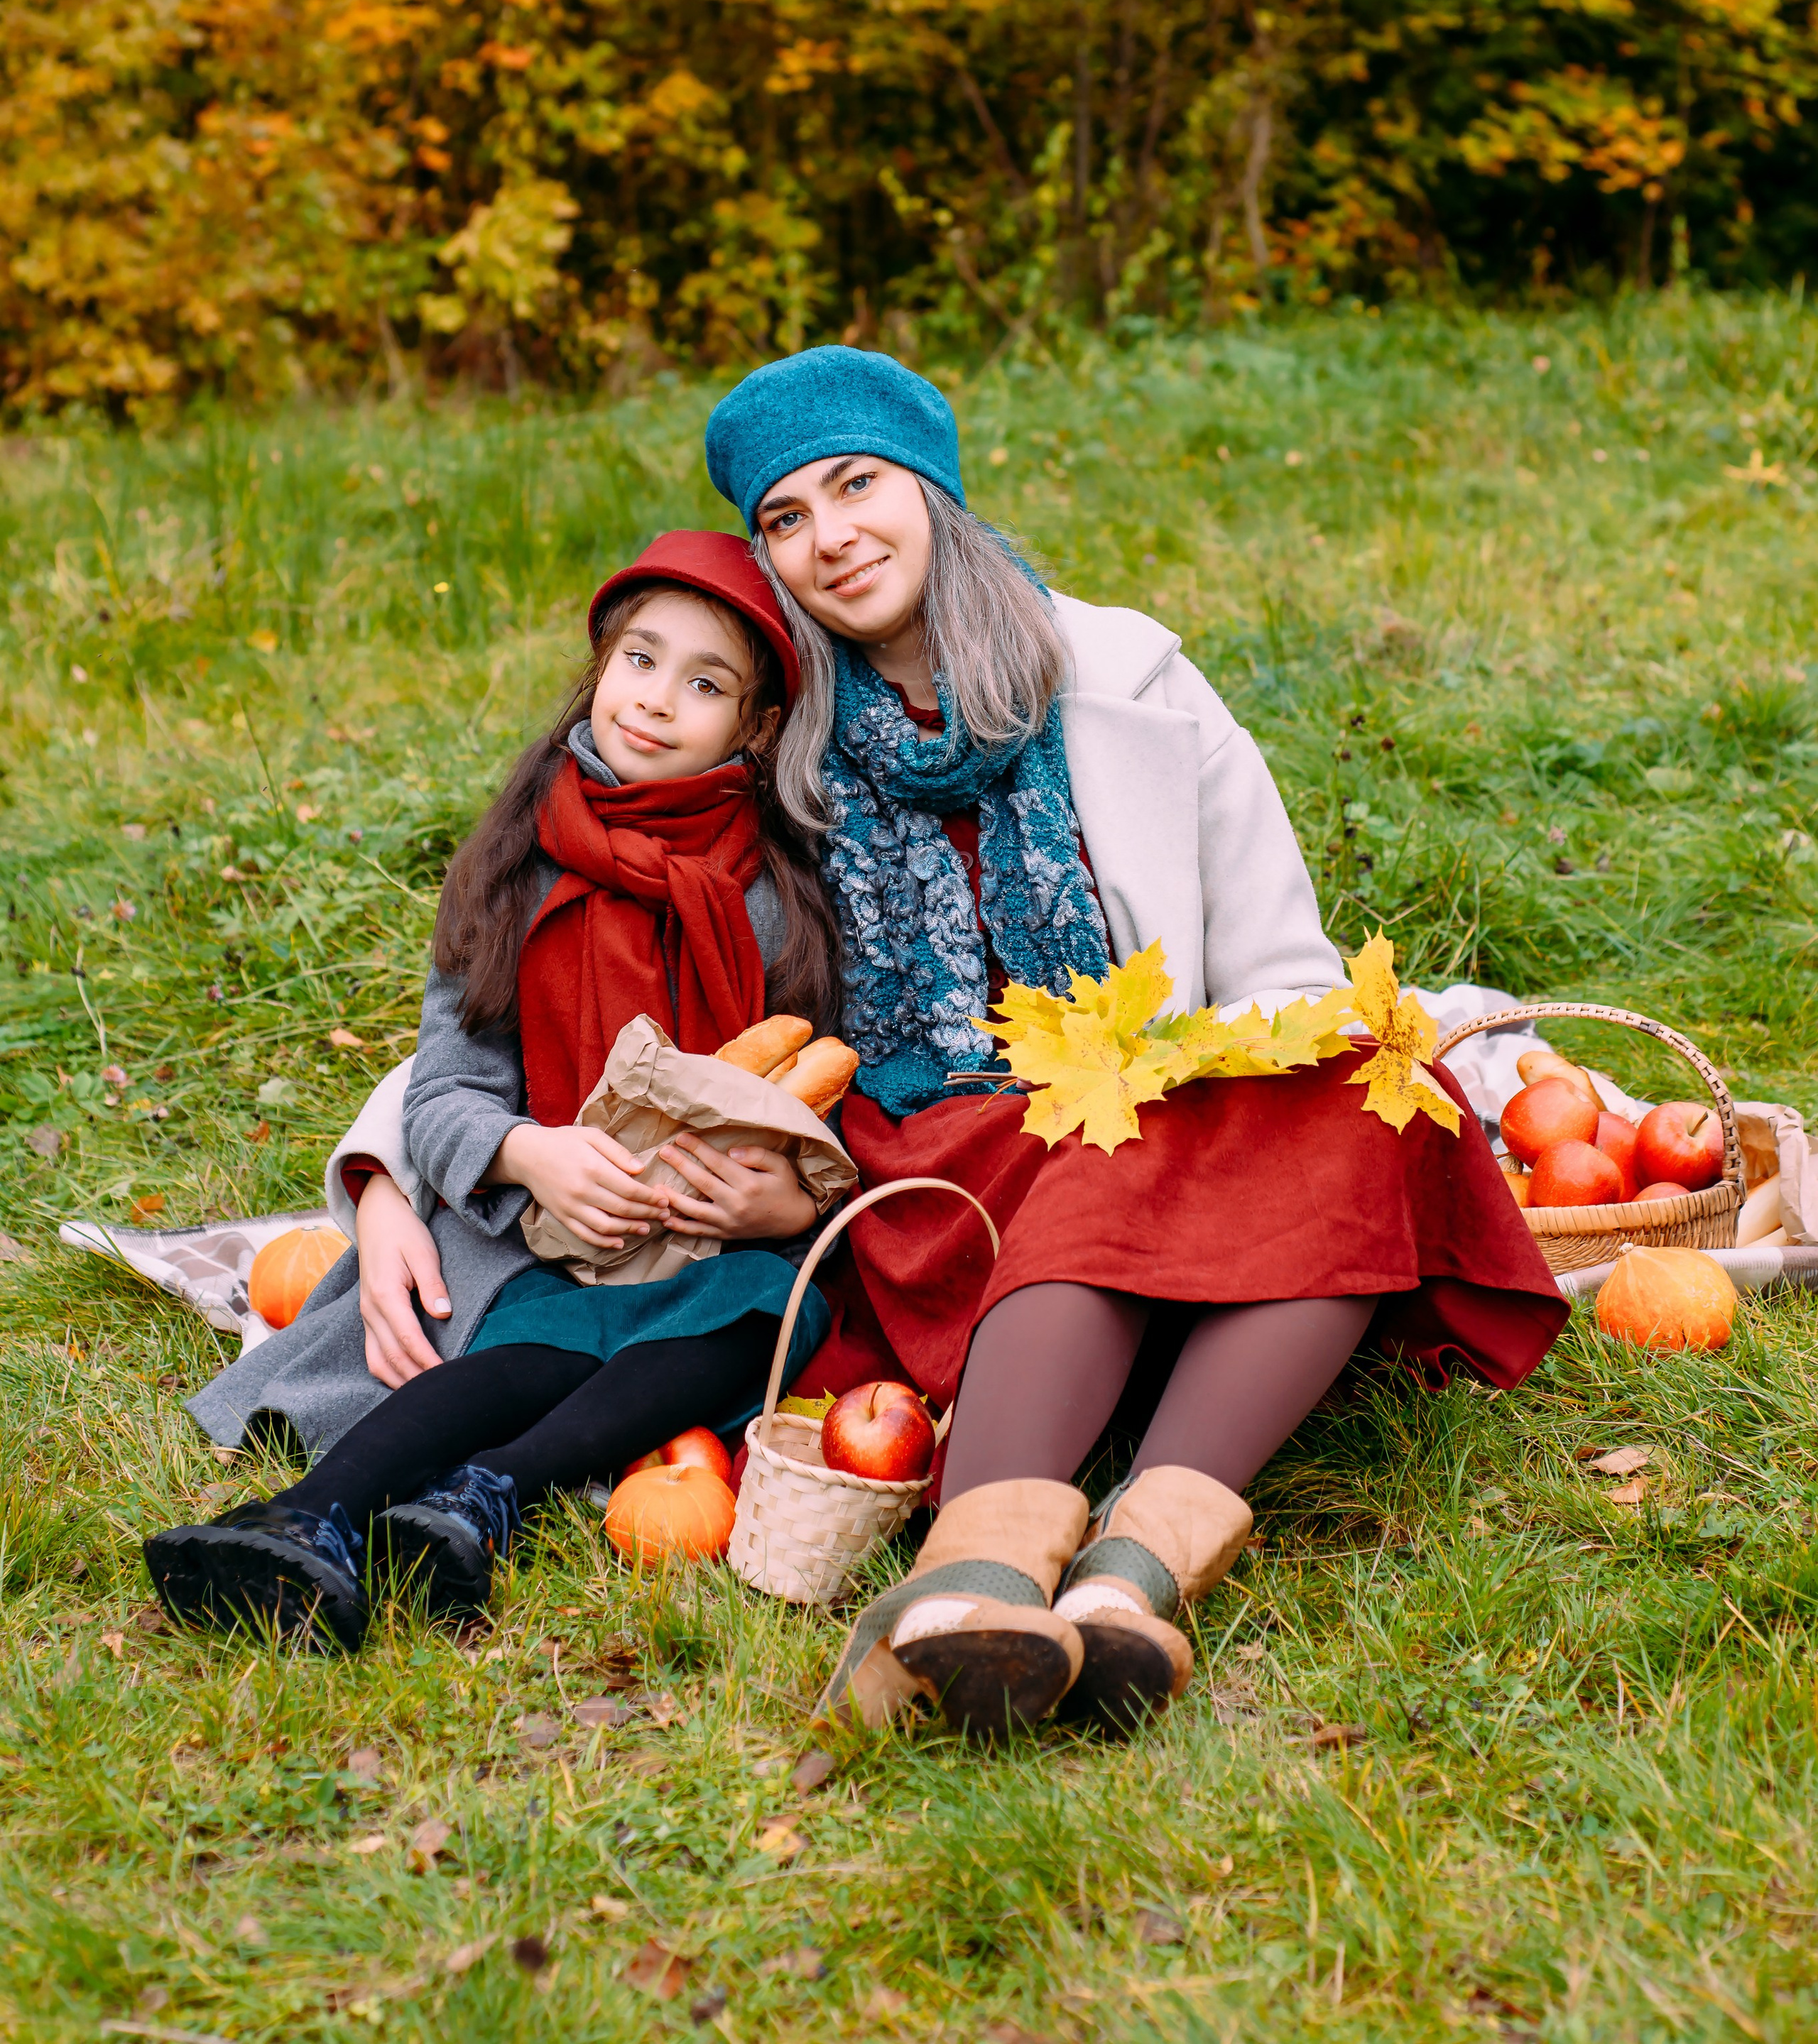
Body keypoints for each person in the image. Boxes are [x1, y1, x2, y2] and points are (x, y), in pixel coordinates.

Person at [357, 352, 1567, 1738]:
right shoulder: (765, 725)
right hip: (916, 1167)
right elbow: (540, 962)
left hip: (1143, 1096)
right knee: (1090, 1151)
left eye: (857, 485)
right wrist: (385, 1173)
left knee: (1375, 1090)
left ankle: (1130, 1577)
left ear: (930, 487)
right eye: (787, 517)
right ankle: (968, 1584)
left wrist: (1226, 1080)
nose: (831, 536)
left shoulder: (1124, 679)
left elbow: (1284, 974)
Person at [148, 532, 842, 1649]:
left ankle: (487, 1496)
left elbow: (814, 1093)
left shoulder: (775, 895)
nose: (656, 700)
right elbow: (443, 1093)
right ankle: (305, 1518)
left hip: (702, 1245)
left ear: (757, 729)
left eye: (705, 684)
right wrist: (530, 1154)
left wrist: (784, 1199)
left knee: (775, 1309)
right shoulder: (516, 869)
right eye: (640, 660)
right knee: (529, 1329)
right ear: (602, 665)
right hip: (537, 1230)